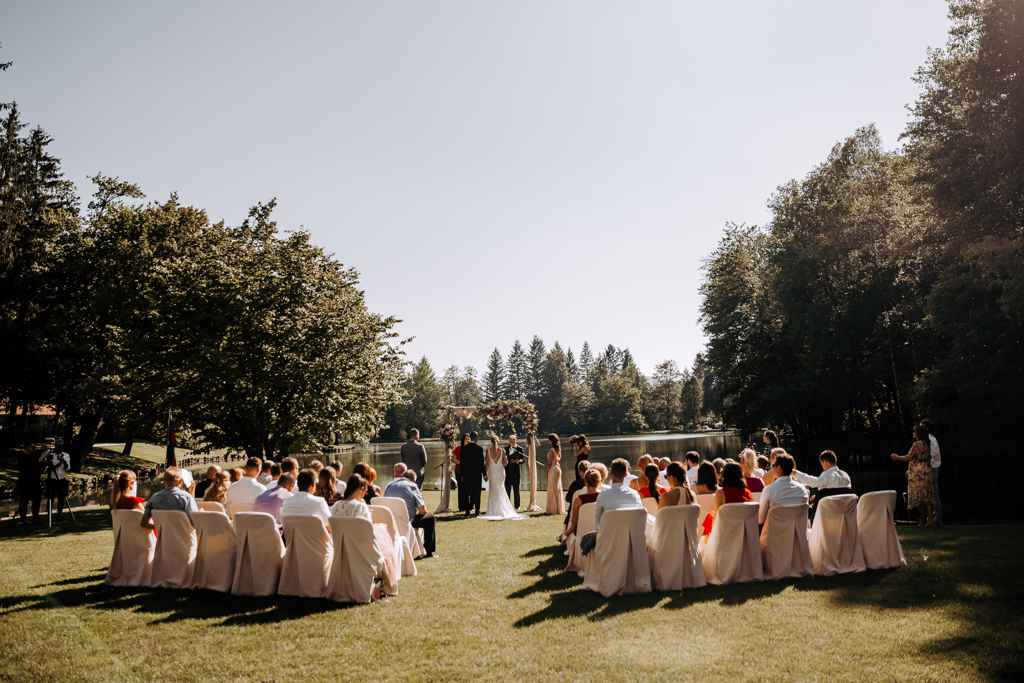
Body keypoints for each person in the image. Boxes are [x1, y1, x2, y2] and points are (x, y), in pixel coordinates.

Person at [585, 458, 642, 553]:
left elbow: (597, 522)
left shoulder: (603, 495)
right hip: (631, 540)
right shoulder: (635, 495)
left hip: (608, 540)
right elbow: (639, 517)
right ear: (625, 474)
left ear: (611, 474)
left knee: (587, 538)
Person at [384, 464, 437, 557]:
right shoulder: (412, 485)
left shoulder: (389, 485)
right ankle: (429, 551)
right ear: (414, 480)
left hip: (390, 520)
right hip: (406, 521)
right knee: (430, 518)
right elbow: (423, 511)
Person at [890, 424, 938, 527]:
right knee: (927, 498)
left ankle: (924, 520)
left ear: (918, 433)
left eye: (914, 431)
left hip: (918, 474)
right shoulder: (929, 444)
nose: (913, 433)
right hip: (927, 471)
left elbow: (909, 457)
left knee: (919, 498)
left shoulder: (917, 444)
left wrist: (896, 457)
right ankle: (929, 520)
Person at [480, 434, 526, 521]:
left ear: (491, 442)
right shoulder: (502, 450)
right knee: (501, 490)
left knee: (493, 490)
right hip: (500, 473)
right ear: (498, 441)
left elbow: (487, 464)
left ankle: (493, 509)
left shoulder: (488, 451)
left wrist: (485, 474)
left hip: (492, 472)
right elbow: (505, 464)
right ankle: (502, 508)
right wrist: (507, 461)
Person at [758, 453, 809, 525]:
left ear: (778, 468)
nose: (771, 468)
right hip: (796, 534)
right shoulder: (802, 490)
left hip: (774, 534)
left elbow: (760, 519)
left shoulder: (769, 490)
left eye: (773, 465)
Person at [706, 462, 753, 535]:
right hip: (743, 533)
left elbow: (716, 517)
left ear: (724, 475)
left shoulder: (720, 493)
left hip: (725, 532)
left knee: (709, 517)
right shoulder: (747, 493)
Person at [564, 468, 602, 538]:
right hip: (599, 533)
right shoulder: (603, 498)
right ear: (599, 482)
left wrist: (565, 534)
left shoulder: (578, 500)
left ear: (585, 482)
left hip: (581, 534)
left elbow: (573, 524)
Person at [39, 437, 71, 519]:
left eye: (61, 445)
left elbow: (67, 468)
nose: (59, 447)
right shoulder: (50, 454)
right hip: (52, 479)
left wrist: (62, 460)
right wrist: (47, 453)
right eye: (58, 445)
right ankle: (49, 515)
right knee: (50, 498)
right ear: (55, 446)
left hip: (62, 479)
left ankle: (59, 515)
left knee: (61, 498)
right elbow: (40, 460)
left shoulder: (66, 455)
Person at [922, 420, 942, 526]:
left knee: (933, 494)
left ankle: (936, 519)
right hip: (934, 467)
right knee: (934, 494)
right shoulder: (932, 438)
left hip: (933, 468)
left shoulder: (930, 440)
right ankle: (936, 519)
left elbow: (930, 456)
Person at [460, 432, 485, 516]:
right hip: (477, 474)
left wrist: (462, 474)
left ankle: (467, 511)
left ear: (470, 438)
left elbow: (462, 463)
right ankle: (477, 510)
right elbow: (482, 463)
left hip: (467, 474)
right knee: (477, 492)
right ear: (477, 438)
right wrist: (484, 474)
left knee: (467, 492)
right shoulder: (480, 448)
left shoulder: (464, 449)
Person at [16, 446, 42, 524]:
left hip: (34, 482)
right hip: (26, 482)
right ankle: (24, 518)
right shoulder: (24, 457)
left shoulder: (32, 457)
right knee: (24, 501)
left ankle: (34, 517)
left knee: (35, 501)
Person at [564, 459, 591, 525]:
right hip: (589, 514)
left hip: (575, 514)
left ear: (579, 472)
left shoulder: (575, 484)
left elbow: (568, 499)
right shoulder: (594, 484)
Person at [545, 433, 565, 515]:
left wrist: (547, 471)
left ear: (551, 440)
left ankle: (553, 509)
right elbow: (557, 460)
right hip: (558, 469)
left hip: (553, 470)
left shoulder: (552, 450)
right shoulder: (558, 449)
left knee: (552, 489)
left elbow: (549, 463)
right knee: (558, 489)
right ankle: (559, 509)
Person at [505, 433, 526, 510]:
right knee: (507, 490)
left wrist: (518, 461)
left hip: (516, 472)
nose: (512, 441)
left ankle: (517, 506)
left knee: (516, 490)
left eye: (514, 440)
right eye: (511, 440)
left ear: (516, 440)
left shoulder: (520, 449)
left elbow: (523, 460)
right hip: (507, 473)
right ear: (509, 441)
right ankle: (507, 506)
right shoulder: (505, 449)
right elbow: (503, 460)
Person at [454, 432, 470, 513]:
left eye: (468, 438)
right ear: (463, 439)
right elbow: (452, 458)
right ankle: (461, 506)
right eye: (466, 438)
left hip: (468, 471)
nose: (467, 440)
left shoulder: (471, 448)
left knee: (468, 489)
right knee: (461, 488)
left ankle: (468, 506)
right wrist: (458, 462)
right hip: (459, 471)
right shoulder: (458, 448)